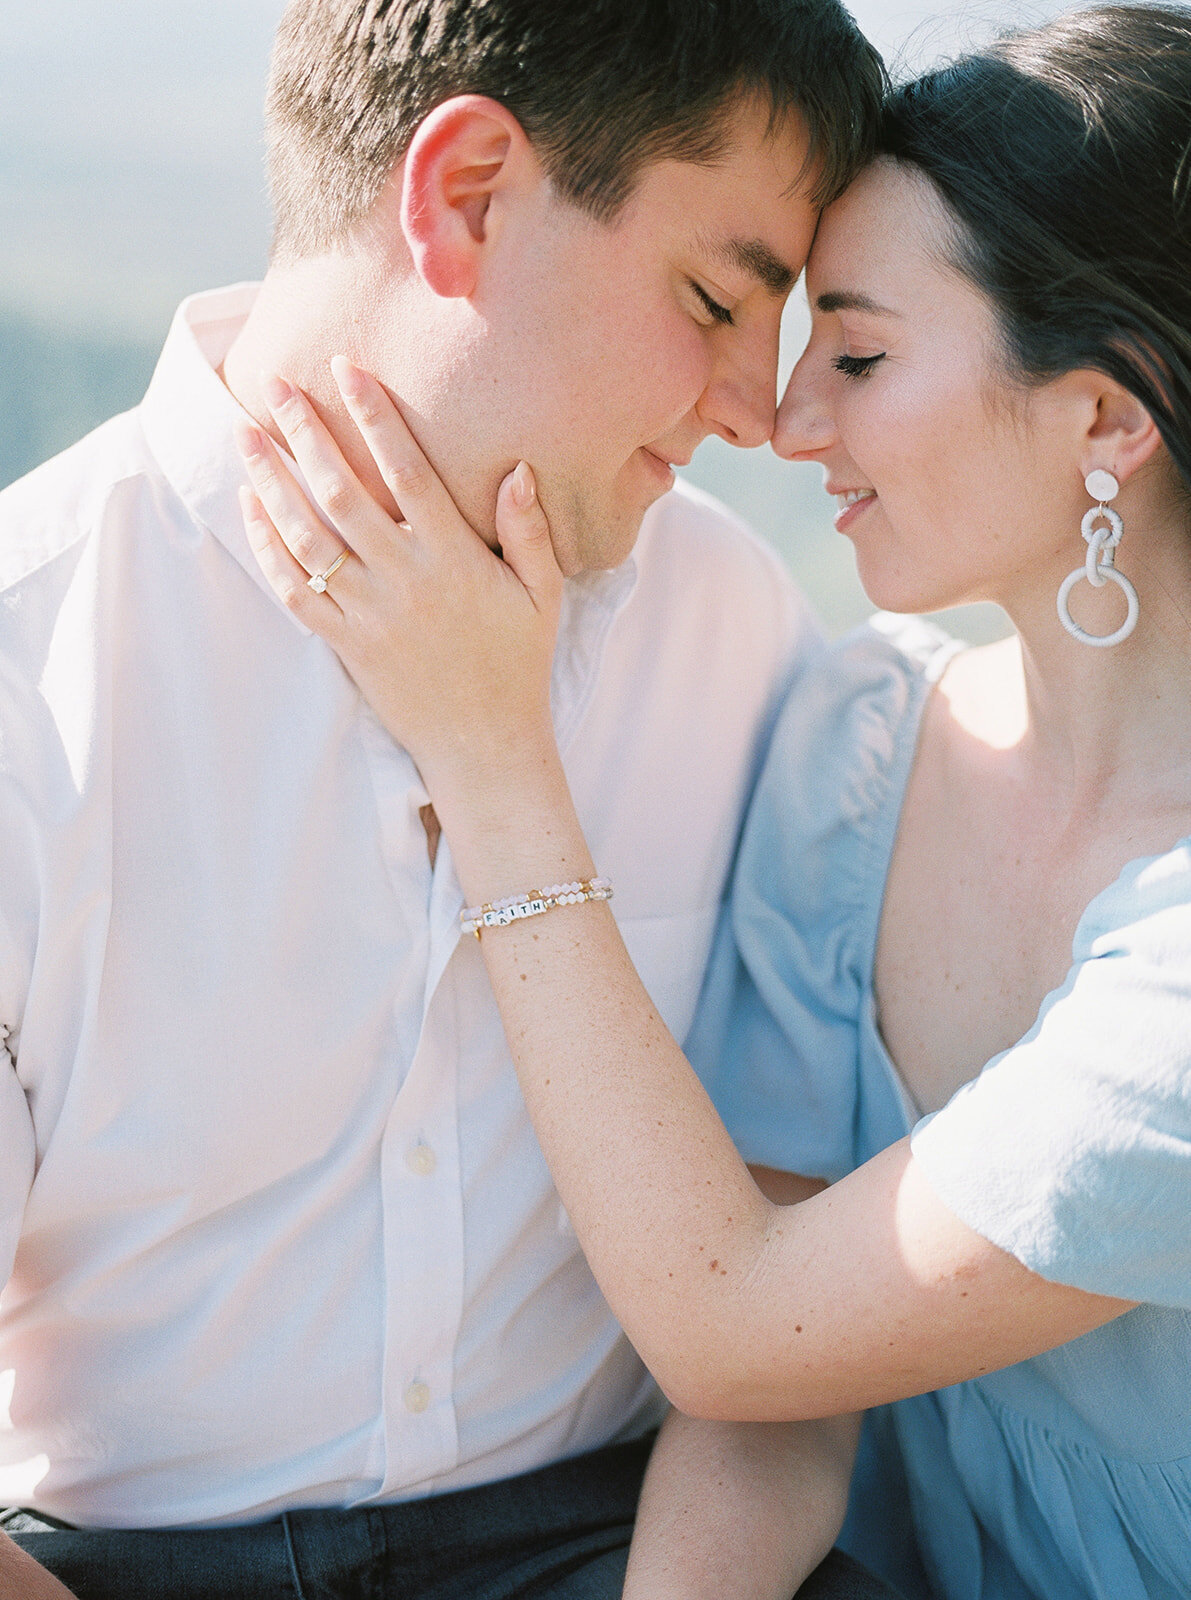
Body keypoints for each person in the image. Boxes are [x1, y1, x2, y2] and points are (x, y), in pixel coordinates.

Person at [239, 5, 1191, 1597]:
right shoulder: (857, 753)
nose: (785, 415)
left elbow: (739, 1325)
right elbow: (771, 1417)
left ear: (1105, 419)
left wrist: (492, 756)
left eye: (864, 355)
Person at [0, 2, 891, 1597]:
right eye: (713, 298)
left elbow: (788, 1320)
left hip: (632, 1547)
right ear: (467, 193)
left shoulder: (741, 639)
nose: (760, 412)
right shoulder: (28, 665)